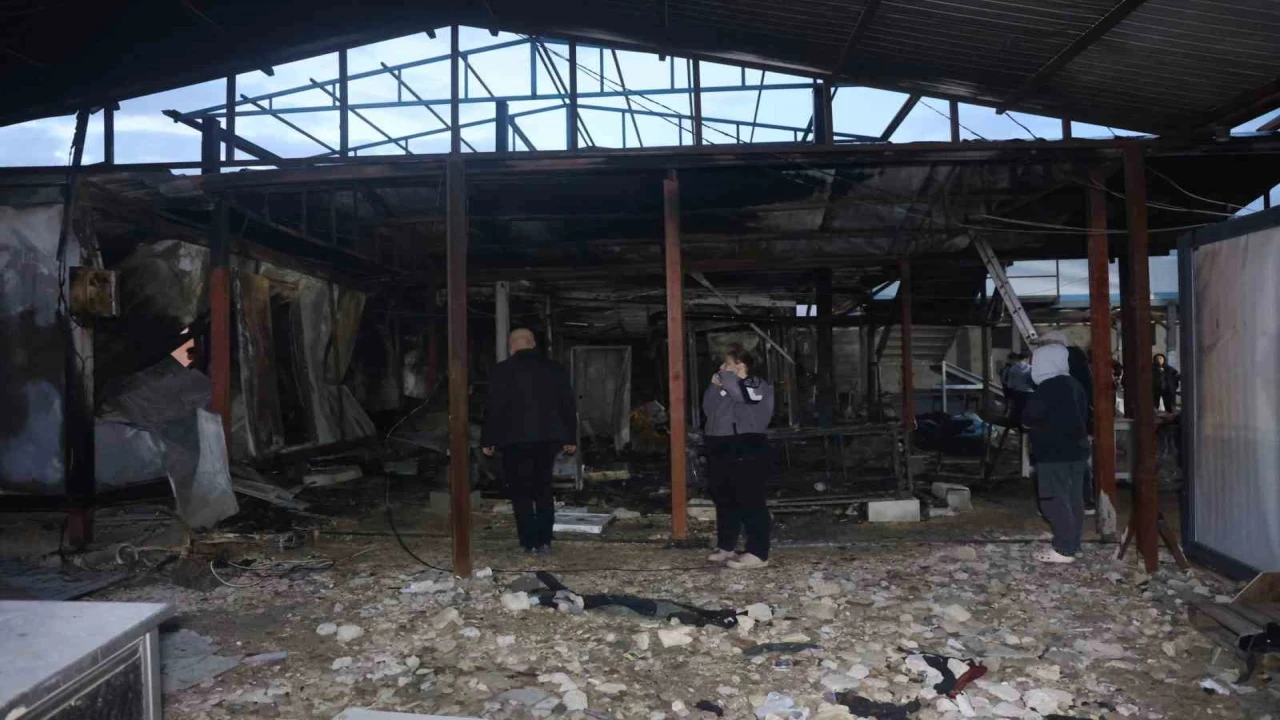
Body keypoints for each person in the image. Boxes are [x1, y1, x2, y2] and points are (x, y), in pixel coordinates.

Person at [482, 329, 577, 557]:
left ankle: (529, 542)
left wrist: (488, 439)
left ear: (511, 346)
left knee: (520, 491)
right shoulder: (555, 369)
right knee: (543, 488)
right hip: (547, 438)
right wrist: (570, 437)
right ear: (533, 343)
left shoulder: (500, 371)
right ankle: (545, 541)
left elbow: (493, 408)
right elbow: (567, 404)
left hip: (513, 439)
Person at [702, 346, 775, 570]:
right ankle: (727, 546)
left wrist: (727, 378)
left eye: (726, 364)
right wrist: (715, 387)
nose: (721, 368)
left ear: (741, 366)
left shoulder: (757, 385)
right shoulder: (726, 387)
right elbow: (708, 408)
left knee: (750, 497)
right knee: (724, 497)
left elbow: (744, 396)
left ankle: (758, 552)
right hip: (719, 445)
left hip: (745, 444)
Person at [1024, 343, 1090, 564]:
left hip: (1053, 452)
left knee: (1053, 499)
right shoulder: (1075, 384)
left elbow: (1029, 417)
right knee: (1073, 498)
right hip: (1077, 450)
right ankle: (1073, 543)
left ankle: (1064, 548)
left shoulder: (1048, 387)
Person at [1000, 351, 1035, 428]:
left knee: (1017, 409)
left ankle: (1015, 425)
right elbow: (1033, 381)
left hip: (1017, 392)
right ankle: (1025, 425)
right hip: (1028, 392)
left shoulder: (1013, 368)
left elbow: (1010, 384)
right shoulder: (1030, 368)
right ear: (1026, 358)